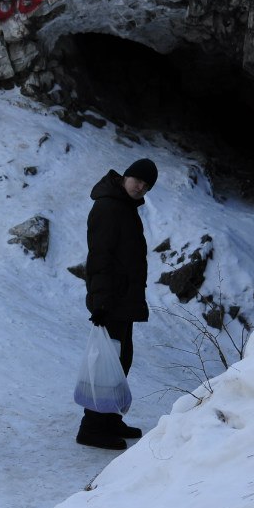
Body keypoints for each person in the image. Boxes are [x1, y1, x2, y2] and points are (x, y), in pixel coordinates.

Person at [79, 158, 158, 450]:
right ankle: (92, 427)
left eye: (147, 185)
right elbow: (99, 257)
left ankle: (109, 419)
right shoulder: (108, 207)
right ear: (126, 176)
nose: (141, 187)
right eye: (137, 180)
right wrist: (99, 302)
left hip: (123, 300)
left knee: (120, 361)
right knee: (106, 364)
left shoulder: (123, 206)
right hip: (110, 301)